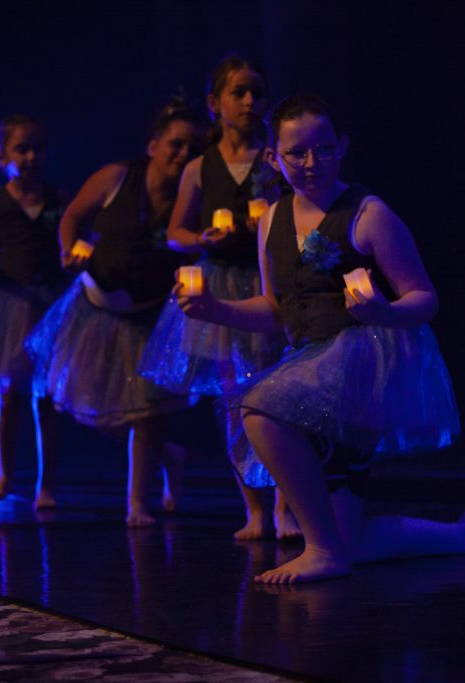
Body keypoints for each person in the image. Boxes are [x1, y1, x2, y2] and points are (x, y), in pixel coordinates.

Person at [177, 94, 465, 584]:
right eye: (297, 153)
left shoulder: (368, 214)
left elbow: (424, 297)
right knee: (350, 541)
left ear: (342, 147)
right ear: (274, 159)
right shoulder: (271, 221)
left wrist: (383, 311)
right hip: (309, 362)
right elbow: (278, 309)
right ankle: (464, 535)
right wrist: (214, 309)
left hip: (359, 363)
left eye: (324, 149)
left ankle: (321, 551)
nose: (312, 162)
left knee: (258, 409)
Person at [137, 54, 294, 541]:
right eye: (238, 92)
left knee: (281, 393)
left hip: (270, 284)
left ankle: (287, 504)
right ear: (214, 103)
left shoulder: (275, 158)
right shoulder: (200, 167)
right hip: (222, 286)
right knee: (231, 399)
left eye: (257, 93)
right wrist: (202, 238)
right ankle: (254, 509)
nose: (249, 101)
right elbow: (175, 233)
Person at [27, 101, 202, 526]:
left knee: (146, 412)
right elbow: (72, 217)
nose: (183, 154)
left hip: (149, 311)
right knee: (85, 404)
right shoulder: (117, 176)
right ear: (153, 145)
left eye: (191, 148)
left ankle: (137, 504)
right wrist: (69, 249)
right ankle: (167, 455)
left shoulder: (192, 194)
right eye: (175, 144)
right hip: (96, 307)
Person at [0, 115, 69, 508]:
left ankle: (47, 483)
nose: (31, 156)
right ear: (2, 155)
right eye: (22, 149)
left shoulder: (58, 199)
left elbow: (69, 247)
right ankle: (4, 473)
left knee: (47, 399)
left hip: (50, 304)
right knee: (9, 395)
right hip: (10, 304)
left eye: (37, 148)